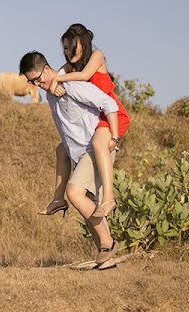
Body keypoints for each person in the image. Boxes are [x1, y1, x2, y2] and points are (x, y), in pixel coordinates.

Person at [20, 50, 120, 267]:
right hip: (80, 153)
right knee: (88, 207)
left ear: (47, 69)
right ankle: (106, 262)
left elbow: (108, 103)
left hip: (96, 149)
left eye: (38, 78)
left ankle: (108, 243)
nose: (37, 84)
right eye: (31, 82)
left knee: (74, 193)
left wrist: (113, 137)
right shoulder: (50, 94)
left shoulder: (72, 86)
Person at [39, 24, 129, 218]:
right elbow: (59, 75)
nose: (69, 52)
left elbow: (84, 76)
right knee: (62, 148)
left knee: (98, 143)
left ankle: (109, 198)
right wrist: (52, 82)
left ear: (84, 43)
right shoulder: (70, 67)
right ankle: (58, 198)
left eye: (73, 46)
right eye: (64, 48)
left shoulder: (96, 56)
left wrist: (57, 81)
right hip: (98, 116)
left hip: (112, 113)